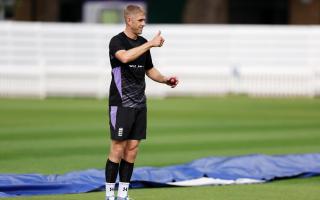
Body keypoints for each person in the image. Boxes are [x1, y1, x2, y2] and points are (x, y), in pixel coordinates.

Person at [105, 4, 179, 200]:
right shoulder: (116, 42)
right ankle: (109, 195)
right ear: (129, 20)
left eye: (144, 20)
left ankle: (123, 195)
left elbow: (149, 69)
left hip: (139, 104)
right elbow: (125, 57)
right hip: (121, 104)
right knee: (118, 148)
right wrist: (150, 44)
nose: (143, 24)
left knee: (132, 149)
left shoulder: (144, 42)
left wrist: (165, 80)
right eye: (140, 20)